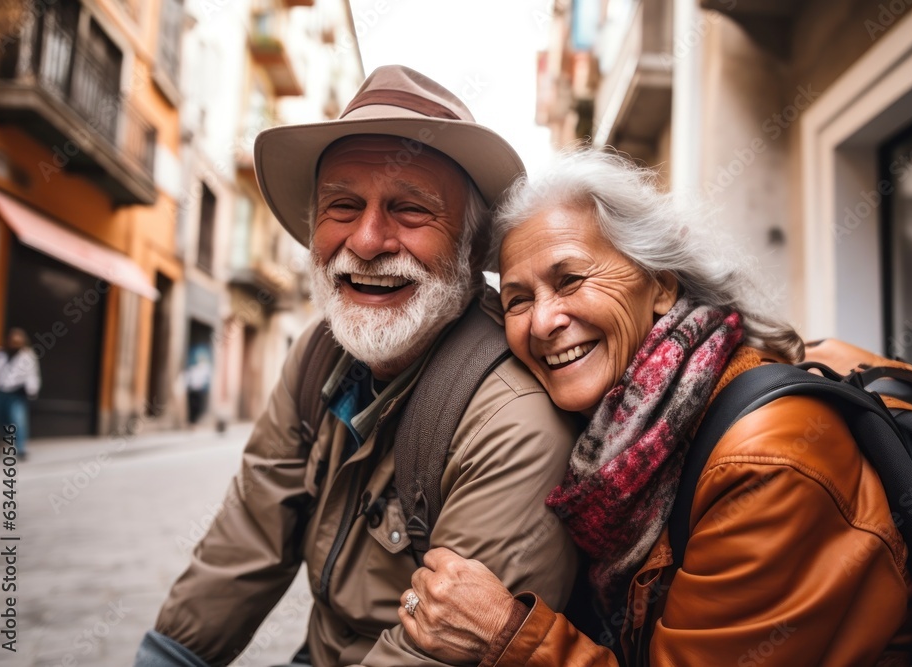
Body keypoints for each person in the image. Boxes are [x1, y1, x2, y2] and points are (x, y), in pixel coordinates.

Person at [135, 66, 579, 666]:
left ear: (473, 251)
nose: (367, 240)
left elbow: (436, 653)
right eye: (342, 205)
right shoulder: (320, 353)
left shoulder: (512, 418)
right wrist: (168, 655)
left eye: (410, 210)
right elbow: (250, 534)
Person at [399, 150, 912, 666]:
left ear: (662, 284)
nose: (542, 322)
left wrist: (507, 633)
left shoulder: (766, 462)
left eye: (570, 279)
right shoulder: (611, 438)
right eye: (517, 300)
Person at [0, 327, 40, 459]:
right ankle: (6, 442)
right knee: (1, 418)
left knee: (17, 420)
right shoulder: (0, 353)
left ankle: (21, 448)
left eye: (18, 340)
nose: (15, 343)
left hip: (17, 392)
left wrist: (32, 390)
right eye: (13, 340)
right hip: (0, 391)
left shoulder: (28, 355)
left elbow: (32, 375)